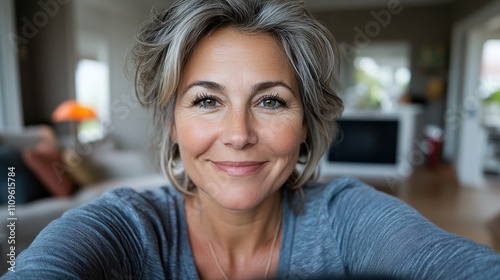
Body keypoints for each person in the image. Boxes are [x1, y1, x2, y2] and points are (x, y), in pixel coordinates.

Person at [3, 0, 500, 279]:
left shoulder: (347, 215)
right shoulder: (125, 227)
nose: (239, 135)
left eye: (271, 101)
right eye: (206, 101)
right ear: (172, 122)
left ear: (305, 123)